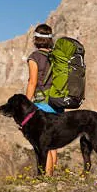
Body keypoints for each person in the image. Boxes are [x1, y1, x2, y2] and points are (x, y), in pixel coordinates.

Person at [26, 23, 62, 176]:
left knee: (43, 143)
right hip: (57, 102)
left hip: (43, 102)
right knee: (52, 143)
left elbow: (32, 82)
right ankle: (51, 175)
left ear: (35, 39)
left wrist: (27, 104)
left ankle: (47, 178)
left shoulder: (34, 57)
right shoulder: (56, 56)